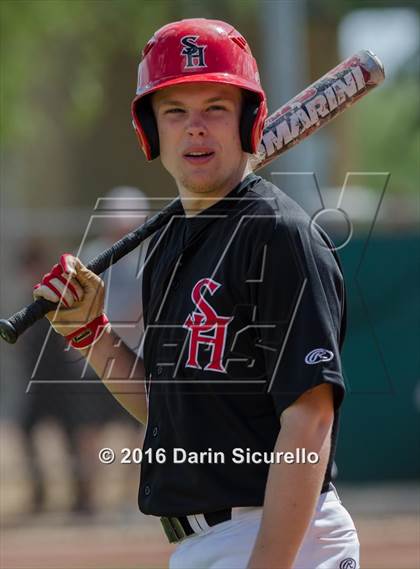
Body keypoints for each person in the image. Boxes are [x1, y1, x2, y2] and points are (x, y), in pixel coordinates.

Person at [32, 18, 360, 569]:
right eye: (175, 112)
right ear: (151, 131)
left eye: (215, 108)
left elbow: (310, 421)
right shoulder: (171, 246)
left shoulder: (277, 235)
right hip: (204, 543)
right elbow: (172, 411)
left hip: (282, 536)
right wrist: (94, 337)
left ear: (249, 121)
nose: (195, 128)